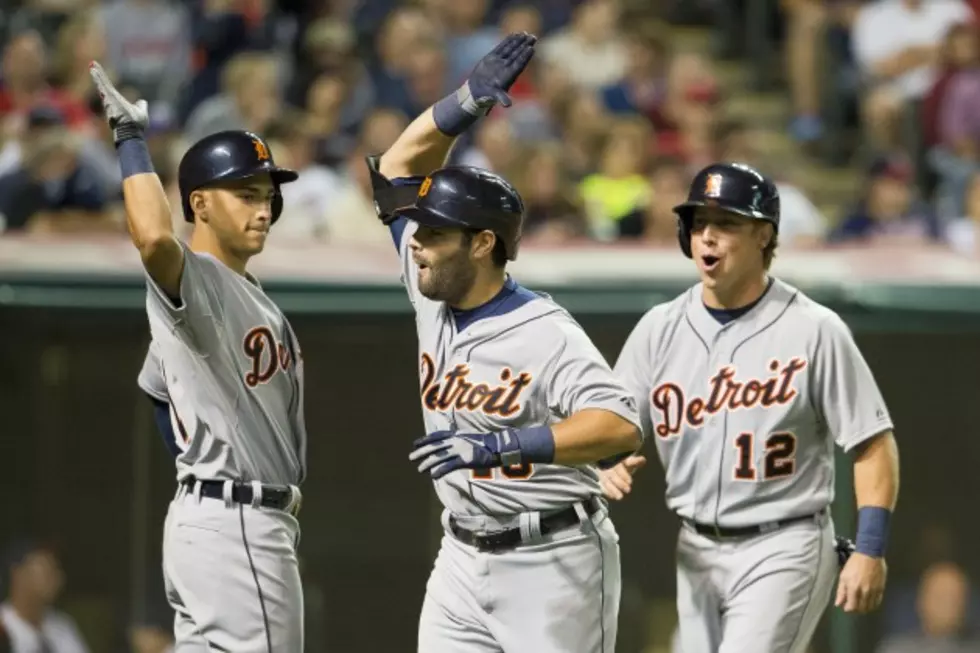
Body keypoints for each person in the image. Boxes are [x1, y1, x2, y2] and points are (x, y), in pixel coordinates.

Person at [367, 32, 644, 652]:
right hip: (460, 555)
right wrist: (464, 103)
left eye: (436, 233)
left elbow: (620, 425)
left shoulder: (545, 330)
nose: (416, 243)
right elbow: (394, 171)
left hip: (553, 559)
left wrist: (503, 445)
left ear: (483, 243)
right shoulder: (430, 285)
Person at [602, 162, 902, 653]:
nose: (708, 238)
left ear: (764, 235)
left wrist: (870, 548)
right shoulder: (660, 328)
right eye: (699, 224)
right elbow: (610, 422)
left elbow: (872, 442)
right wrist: (605, 460)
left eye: (727, 224)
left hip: (784, 543)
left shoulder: (814, 329)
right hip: (694, 546)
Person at [89, 61, 307, 652]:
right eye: (244, 194)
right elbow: (154, 239)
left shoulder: (245, 294)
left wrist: (200, 471)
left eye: (267, 196)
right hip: (237, 521)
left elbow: (162, 396)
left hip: (215, 520)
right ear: (200, 204)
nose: (262, 208)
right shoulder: (201, 280)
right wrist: (131, 140)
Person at [0, 539, 88, 653]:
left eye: (56, 568)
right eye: (46, 568)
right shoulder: (3, 626)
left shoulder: (63, 625)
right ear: (18, 574)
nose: (58, 576)